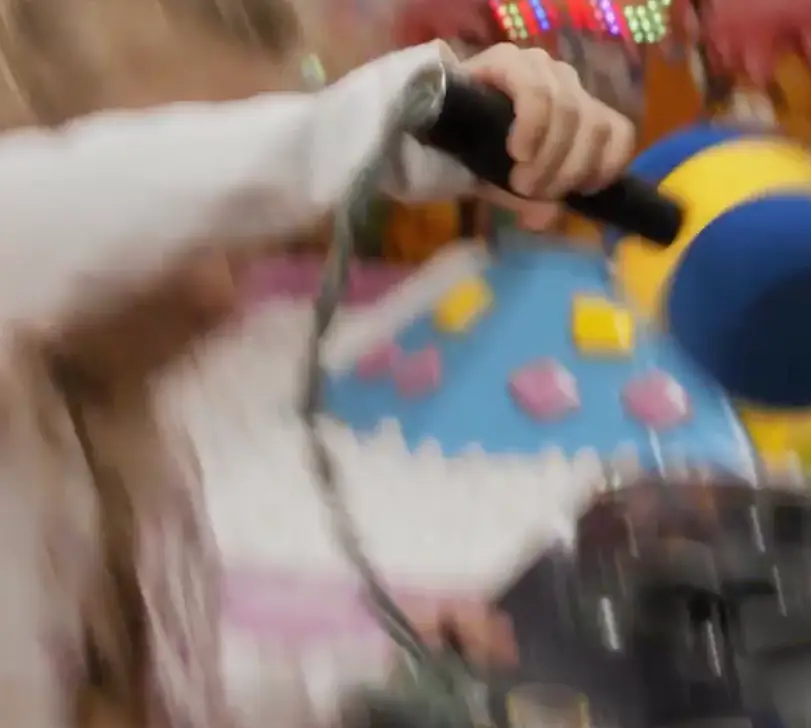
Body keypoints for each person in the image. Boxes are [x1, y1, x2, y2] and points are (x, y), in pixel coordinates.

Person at [0, 0, 634, 725]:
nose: (219, 294)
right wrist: (382, 120)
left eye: (252, 234)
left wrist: (368, 693)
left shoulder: (148, 456)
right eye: (199, 217)